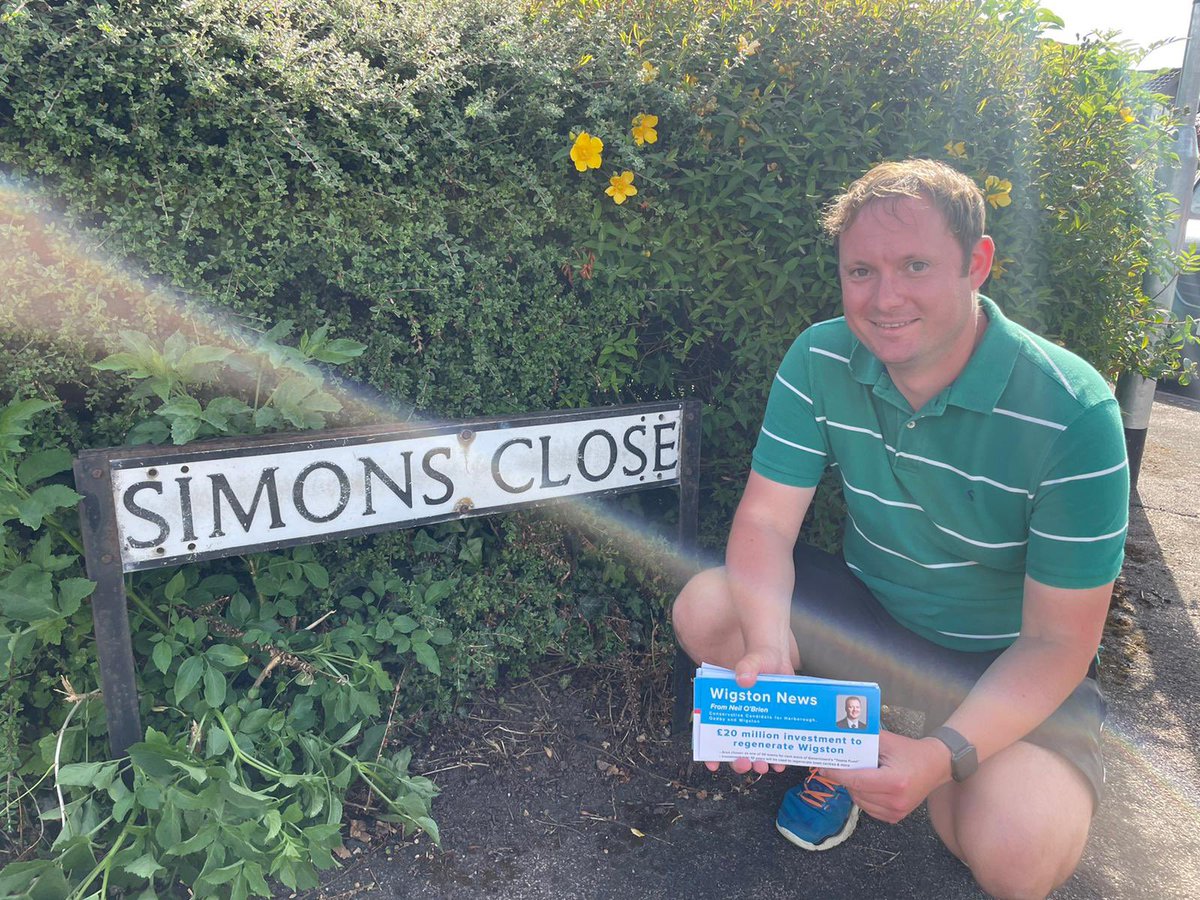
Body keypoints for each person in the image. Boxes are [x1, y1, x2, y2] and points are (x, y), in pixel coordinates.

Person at [672, 159, 1127, 898]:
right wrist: (768, 650)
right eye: (861, 271)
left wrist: (943, 755)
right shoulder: (819, 356)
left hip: (1002, 657)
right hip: (874, 617)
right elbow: (762, 521)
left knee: (1019, 854)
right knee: (711, 607)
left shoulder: (1073, 410)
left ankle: (916, 757)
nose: (885, 298)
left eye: (915, 265)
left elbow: (1058, 642)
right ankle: (847, 756)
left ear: (976, 264)